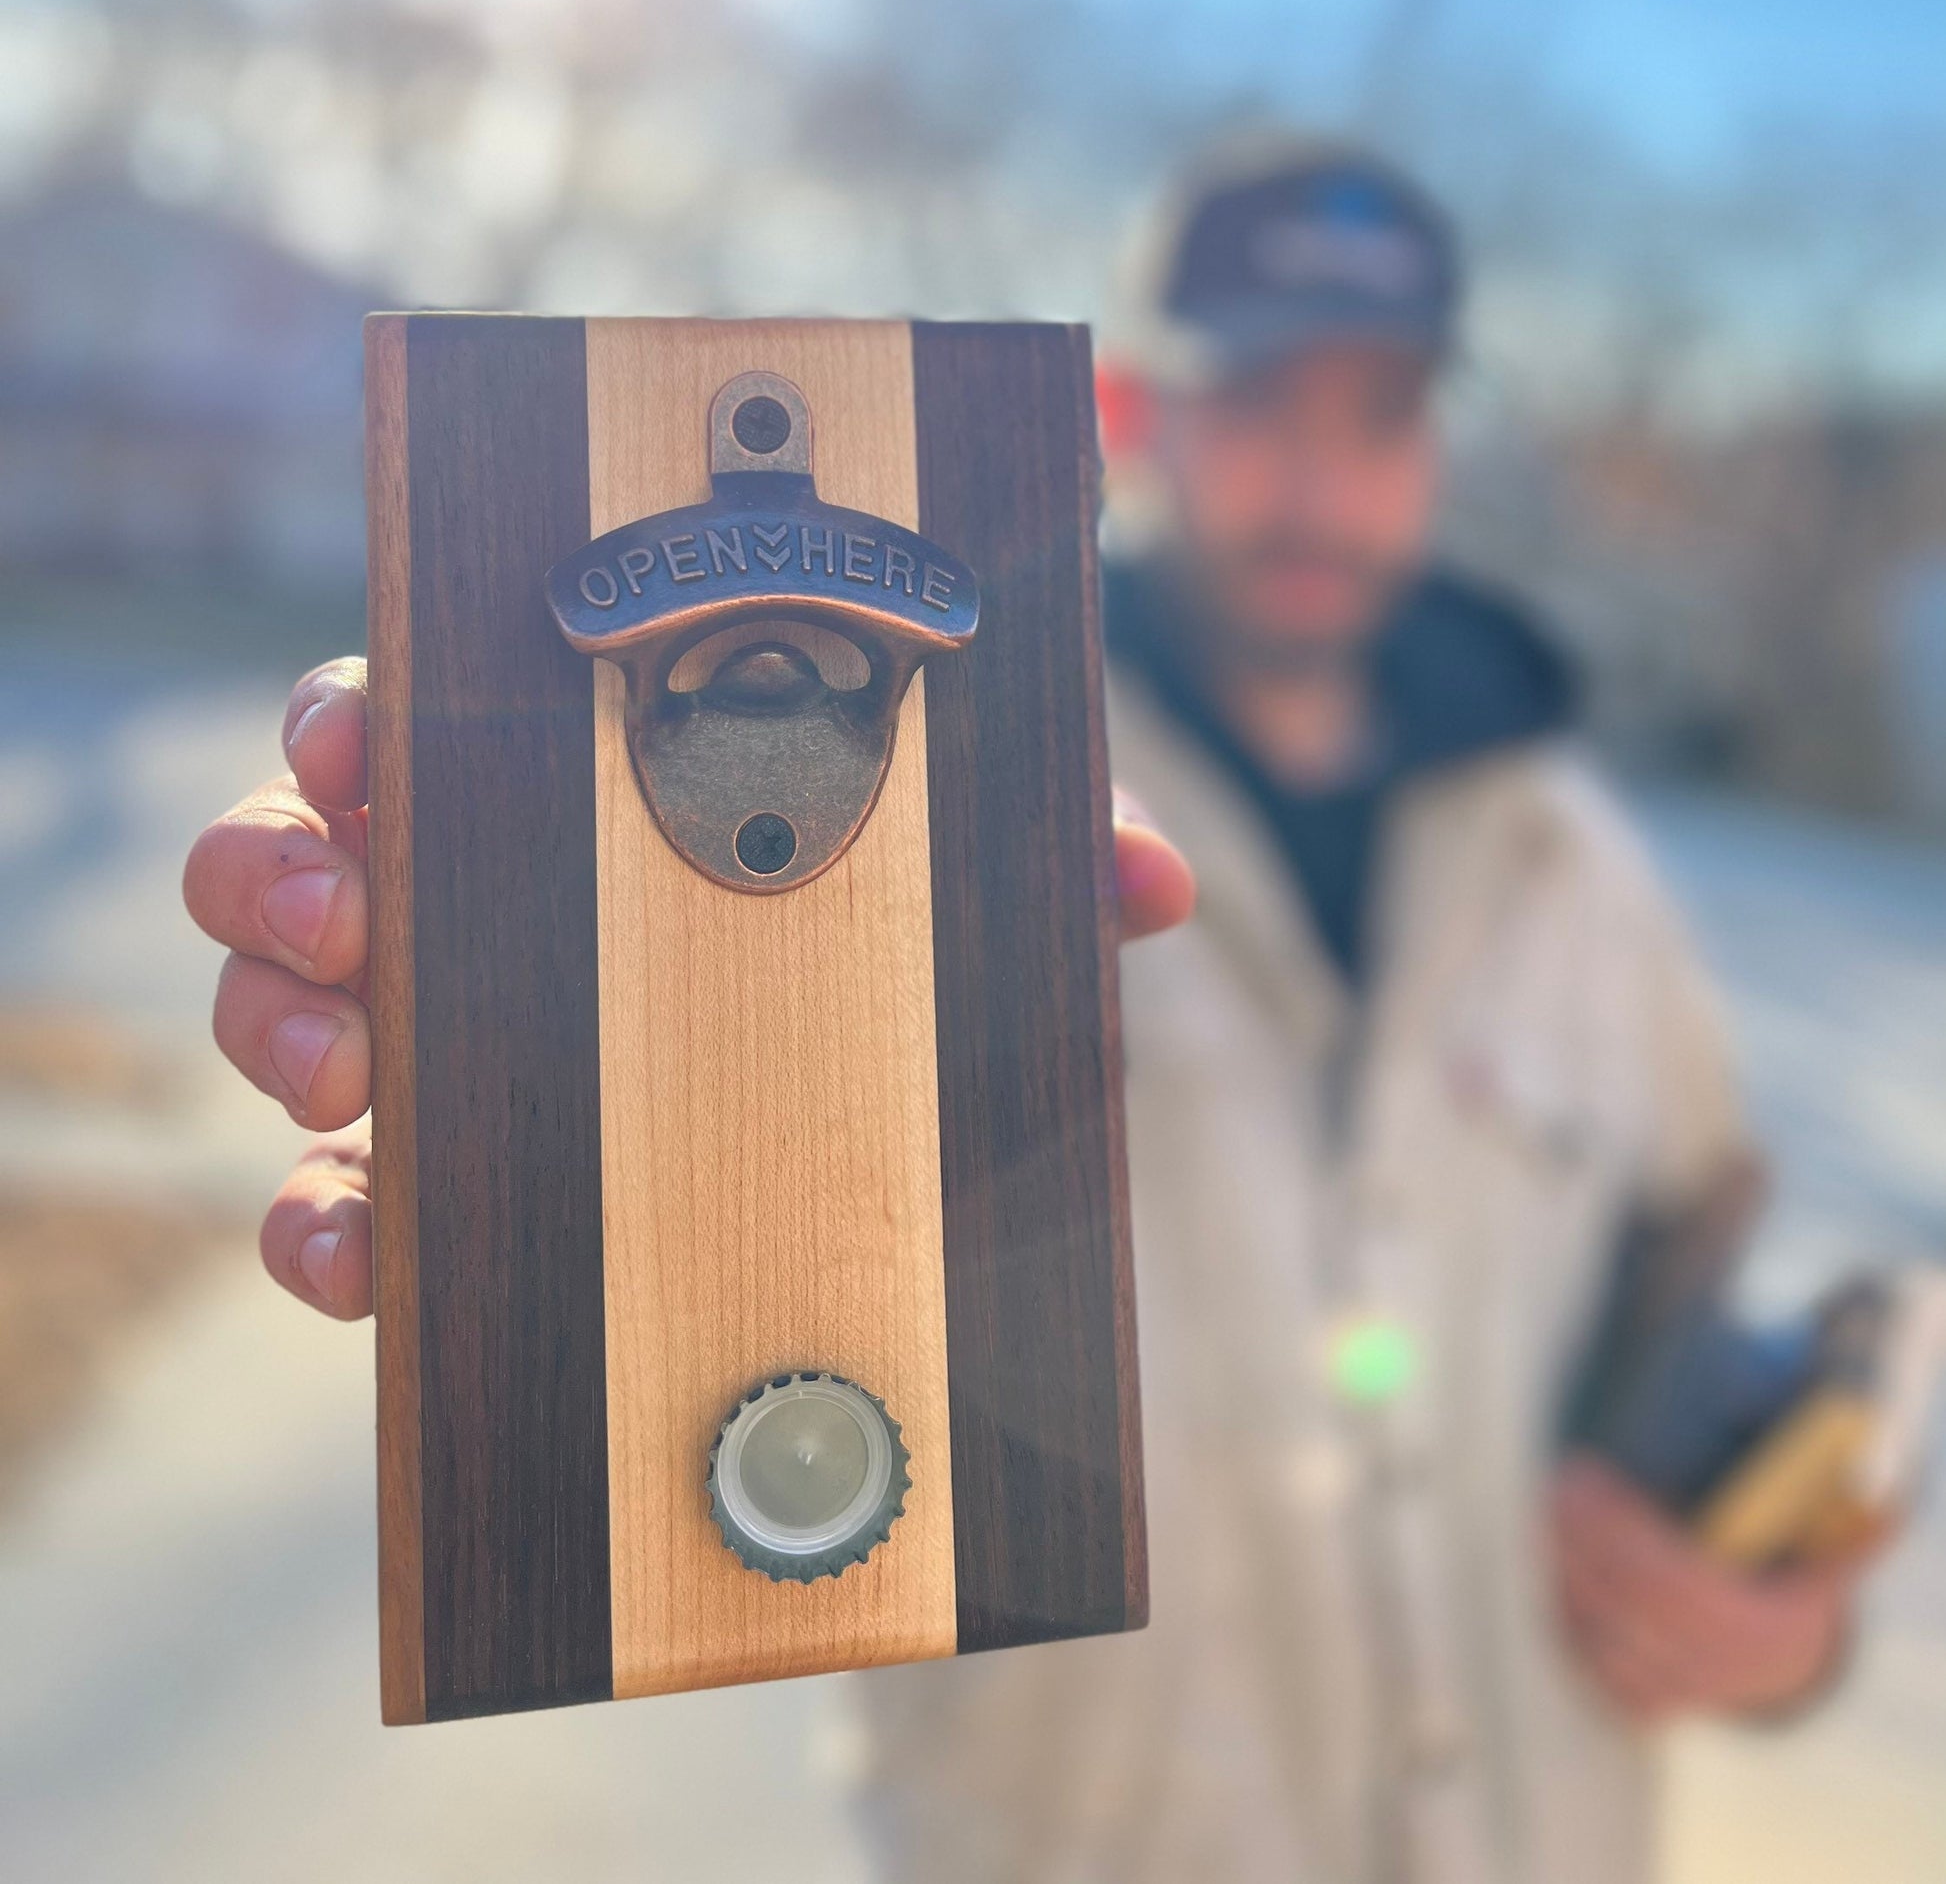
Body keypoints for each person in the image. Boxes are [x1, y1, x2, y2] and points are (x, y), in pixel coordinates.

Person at [182, 143, 1869, 1884]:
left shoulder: (1570, 857)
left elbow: (1705, 1257)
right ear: (1135, 411)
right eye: (1261, 398)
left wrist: (1781, 1625)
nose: (1321, 474)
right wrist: (515, 981)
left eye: (1380, 415)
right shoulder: (980, 765)